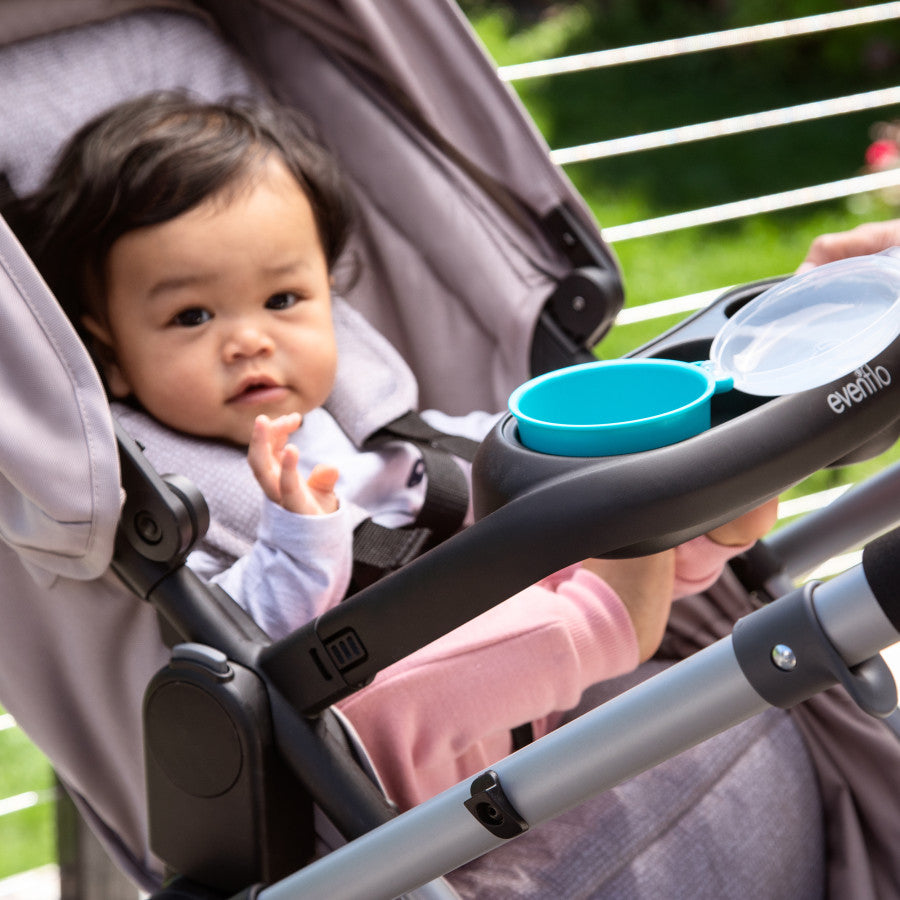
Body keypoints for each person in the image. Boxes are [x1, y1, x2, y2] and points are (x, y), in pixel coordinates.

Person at [5, 90, 777, 811]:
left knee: (547, 493)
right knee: (381, 696)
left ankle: (691, 532)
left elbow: (465, 467)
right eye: (191, 315)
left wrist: (570, 460)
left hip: (516, 699)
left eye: (283, 300)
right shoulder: (162, 507)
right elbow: (248, 644)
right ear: (107, 353)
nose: (248, 339)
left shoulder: (364, 429)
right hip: (387, 772)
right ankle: (616, 606)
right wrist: (300, 531)